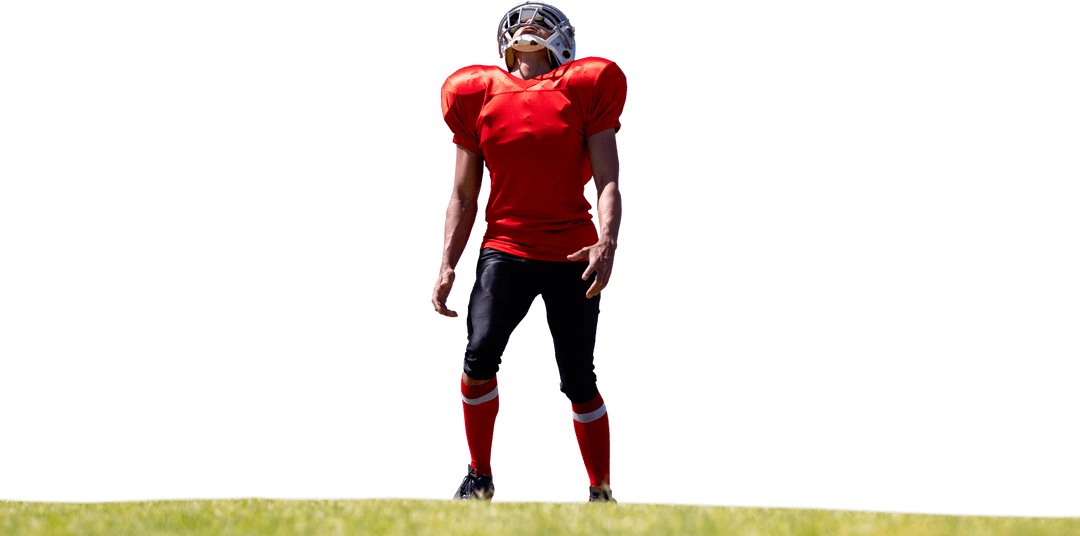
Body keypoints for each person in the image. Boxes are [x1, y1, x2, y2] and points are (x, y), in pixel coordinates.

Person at [432, 0, 627, 502]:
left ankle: (600, 491)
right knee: (478, 356)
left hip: (572, 249)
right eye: (523, 21)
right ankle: (479, 476)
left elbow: (609, 180)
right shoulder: (477, 95)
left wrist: (607, 240)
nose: (531, 28)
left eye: (543, 22)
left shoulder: (585, 88)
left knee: (579, 378)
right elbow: (463, 193)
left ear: (563, 39)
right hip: (507, 247)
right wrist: (447, 264)